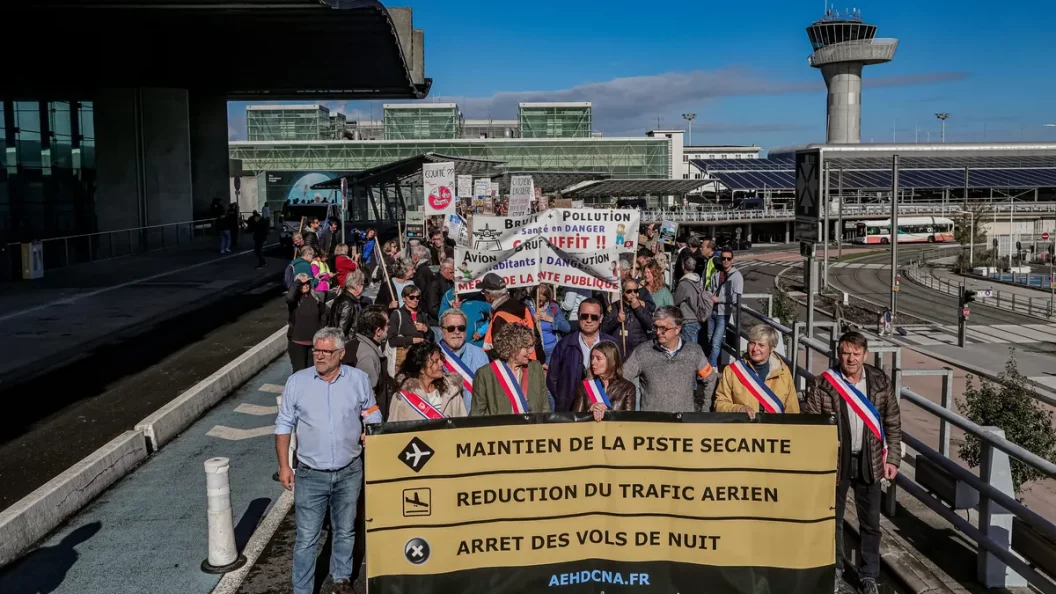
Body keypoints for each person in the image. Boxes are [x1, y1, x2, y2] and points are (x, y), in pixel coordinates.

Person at [274, 327, 382, 594]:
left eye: (326, 351)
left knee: (345, 530)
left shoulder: (358, 379)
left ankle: (341, 580)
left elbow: (372, 412)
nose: (320, 356)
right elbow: (283, 424)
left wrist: (371, 430)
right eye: (316, 350)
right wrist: (284, 465)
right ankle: (302, 590)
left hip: (349, 470)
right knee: (307, 538)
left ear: (341, 353)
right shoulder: (297, 382)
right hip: (311, 474)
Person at [805, 331, 902, 594]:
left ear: (865, 355)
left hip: (870, 459)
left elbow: (892, 422)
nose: (851, 359)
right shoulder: (824, 384)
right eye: (846, 353)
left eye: (856, 354)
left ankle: (868, 574)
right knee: (831, 518)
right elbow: (811, 421)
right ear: (839, 354)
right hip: (835, 461)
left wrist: (892, 457)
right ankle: (835, 568)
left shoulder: (880, 382)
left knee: (870, 521)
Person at [623, 306, 717, 413]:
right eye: (656, 327)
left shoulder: (694, 352)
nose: (658, 332)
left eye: (663, 328)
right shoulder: (643, 351)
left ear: (677, 329)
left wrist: (704, 412)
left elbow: (710, 379)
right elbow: (622, 378)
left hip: (683, 423)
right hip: (652, 424)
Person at [546, 299, 620, 413]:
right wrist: (563, 398)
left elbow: (619, 375)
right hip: (570, 412)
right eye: (584, 316)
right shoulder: (564, 345)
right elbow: (552, 379)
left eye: (594, 317)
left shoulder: (612, 345)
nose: (589, 320)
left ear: (601, 318)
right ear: (578, 316)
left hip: (604, 410)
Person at [714, 324, 799, 417]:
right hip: (743, 428)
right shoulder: (732, 371)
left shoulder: (783, 373)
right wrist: (738, 409)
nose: (755, 349)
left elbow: (792, 410)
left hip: (774, 429)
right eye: (752, 343)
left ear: (772, 348)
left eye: (761, 345)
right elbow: (720, 404)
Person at [471, 324, 550, 416]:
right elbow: (477, 415)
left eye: (532, 346)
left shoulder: (536, 367)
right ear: (512, 347)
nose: (531, 351)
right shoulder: (485, 374)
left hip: (532, 428)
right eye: (527, 347)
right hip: (501, 429)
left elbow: (545, 407)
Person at [389, 342, 468, 420]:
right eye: (436, 361)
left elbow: (464, 425)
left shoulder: (452, 390)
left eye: (440, 359)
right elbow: (393, 430)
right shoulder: (402, 398)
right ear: (422, 369)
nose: (441, 364)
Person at [479, 273, 545, 361]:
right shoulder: (523, 306)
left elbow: (500, 350)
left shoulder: (500, 315)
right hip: (531, 362)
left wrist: (482, 356)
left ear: (489, 295)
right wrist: (541, 361)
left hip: (512, 366)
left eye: (484, 293)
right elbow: (536, 337)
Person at [436, 308, 489, 412]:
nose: (456, 332)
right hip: (445, 419)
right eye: (451, 328)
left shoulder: (480, 354)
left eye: (461, 328)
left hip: (474, 418)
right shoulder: (432, 356)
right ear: (442, 331)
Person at [572, 341, 636, 421]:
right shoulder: (584, 386)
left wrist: (607, 412)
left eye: (598, 358)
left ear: (613, 361)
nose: (593, 362)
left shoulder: (628, 388)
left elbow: (629, 421)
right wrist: (589, 411)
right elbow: (575, 419)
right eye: (592, 358)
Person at [706, 249, 743, 368]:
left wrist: (719, 299)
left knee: (716, 343)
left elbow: (736, 298)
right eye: (723, 258)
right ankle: (715, 365)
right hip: (712, 311)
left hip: (723, 313)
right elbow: (710, 289)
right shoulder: (716, 273)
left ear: (732, 260)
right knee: (710, 341)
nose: (726, 261)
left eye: (728, 259)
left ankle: (711, 369)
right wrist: (709, 296)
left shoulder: (737, 276)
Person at [602, 278, 654, 356]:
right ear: (623, 292)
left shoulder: (643, 305)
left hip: (638, 351)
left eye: (635, 291)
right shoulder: (614, 307)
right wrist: (617, 320)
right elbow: (604, 330)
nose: (633, 294)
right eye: (629, 291)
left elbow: (650, 325)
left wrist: (638, 308)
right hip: (619, 351)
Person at [286, 272, 325, 372]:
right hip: (298, 342)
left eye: (307, 282)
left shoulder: (315, 297)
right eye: (303, 284)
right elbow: (289, 297)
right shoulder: (294, 300)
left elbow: (324, 313)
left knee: (312, 371)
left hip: (313, 343)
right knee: (299, 372)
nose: (306, 285)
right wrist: (298, 282)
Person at [673, 256, 712, 346]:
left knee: (689, 350)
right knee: (696, 348)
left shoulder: (683, 284)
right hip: (699, 319)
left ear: (683, 266)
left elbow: (675, 301)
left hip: (688, 320)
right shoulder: (699, 280)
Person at [526, 284, 570, 364]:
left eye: (545, 300)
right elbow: (521, 329)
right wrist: (532, 320)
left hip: (553, 349)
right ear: (534, 296)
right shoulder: (528, 307)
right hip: (535, 351)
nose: (542, 303)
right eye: (539, 300)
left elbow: (567, 328)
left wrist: (551, 319)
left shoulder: (552, 307)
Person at [329, 270, 367, 341]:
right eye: (362, 285)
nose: (363, 289)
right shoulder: (348, 304)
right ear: (357, 285)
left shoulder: (343, 298)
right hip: (346, 344)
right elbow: (342, 330)